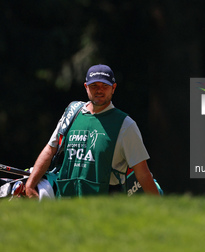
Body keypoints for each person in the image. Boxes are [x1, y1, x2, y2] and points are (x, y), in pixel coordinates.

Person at [26, 64, 160, 198]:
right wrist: (30, 185)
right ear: (86, 87)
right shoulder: (72, 112)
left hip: (104, 207)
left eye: (105, 86)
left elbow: (143, 173)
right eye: (94, 86)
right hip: (66, 203)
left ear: (113, 88)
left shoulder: (125, 125)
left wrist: (160, 209)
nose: (99, 90)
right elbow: (50, 150)